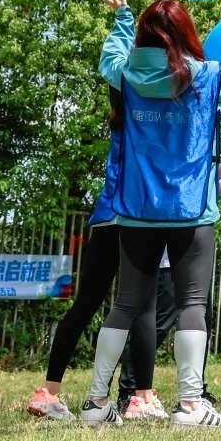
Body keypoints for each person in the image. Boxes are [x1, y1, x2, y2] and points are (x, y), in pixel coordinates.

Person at [77, 0, 221, 429]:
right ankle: (190, 406)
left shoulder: (125, 73)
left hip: (136, 209)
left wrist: (122, 17)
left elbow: (108, 57)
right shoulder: (209, 75)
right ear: (186, 33)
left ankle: (95, 404)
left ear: (145, 36)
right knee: (192, 304)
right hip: (191, 210)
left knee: (125, 304)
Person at [24, 85, 157, 422]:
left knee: (84, 305)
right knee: (143, 308)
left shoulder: (120, 120)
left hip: (104, 219)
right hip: (135, 219)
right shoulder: (153, 121)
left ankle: (48, 393)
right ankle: (142, 398)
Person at [115, 147, 221, 415]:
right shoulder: (169, 156)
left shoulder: (196, 156)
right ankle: (131, 390)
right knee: (155, 327)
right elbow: (200, 177)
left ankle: (196, 391)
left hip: (192, 264)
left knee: (201, 323)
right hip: (167, 263)